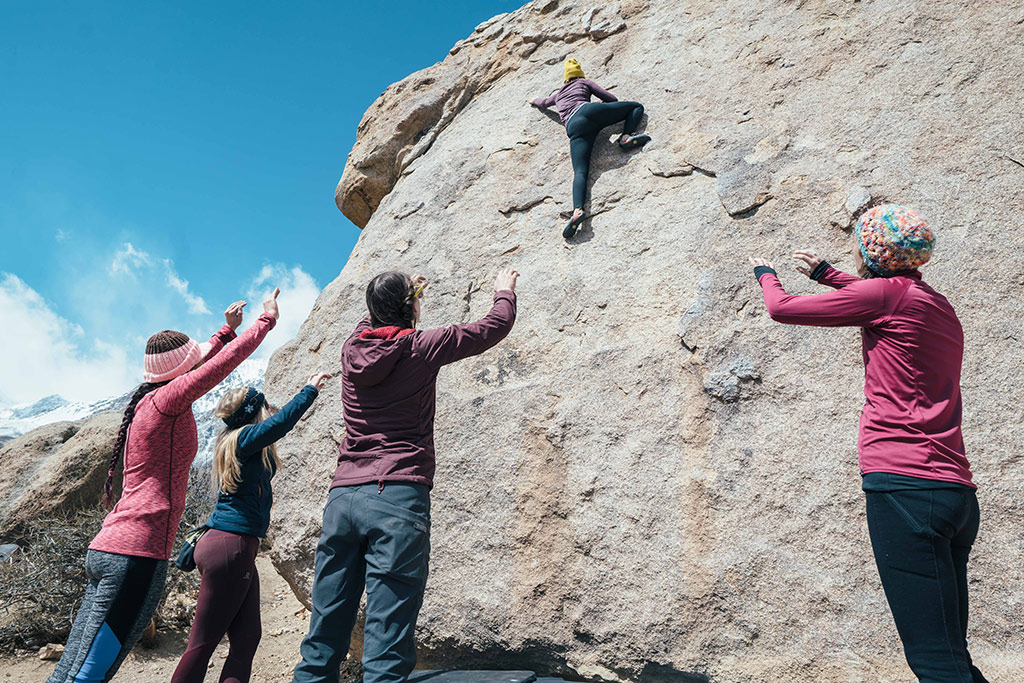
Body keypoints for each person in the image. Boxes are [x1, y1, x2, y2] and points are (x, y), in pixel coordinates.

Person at [749, 205, 987, 683]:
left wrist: (765, 273)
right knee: (952, 658)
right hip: (954, 497)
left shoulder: (884, 297)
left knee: (937, 666)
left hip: (905, 490)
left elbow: (782, 309)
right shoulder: (934, 302)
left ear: (870, 251)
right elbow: (879, 296)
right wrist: (827, 274)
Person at [292, 268, 519, 683]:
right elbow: (493, 326)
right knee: (386, 644)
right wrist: (503, 291)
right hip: (397, 497)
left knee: (323, 636)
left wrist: (404, 297)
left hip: (343, 498)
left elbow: (371, 324)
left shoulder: (350, 349)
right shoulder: (422, 347)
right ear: (411, 308)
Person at [47, 290, 281, 683]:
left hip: (110, 549)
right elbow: (218, 366)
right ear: (179, 373)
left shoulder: (147, 400)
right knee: (92, 669)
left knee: (74, 664)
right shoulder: (169, 401)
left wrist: (226, 329)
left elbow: (203, 357)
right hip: (135, 555)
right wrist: (266, 321)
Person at [171, 372, 331, 683]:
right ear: (254, 411)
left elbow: (271, 426)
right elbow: (279, 425)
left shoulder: (232, 438)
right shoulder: (244, 438)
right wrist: (309, 390)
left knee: (246, 638)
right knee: (202, 644)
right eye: (264, 404)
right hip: (231, 547)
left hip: (230, 547)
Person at [530, 57, 651, 239]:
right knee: (635, 107)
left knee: (580, 172)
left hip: (573, 127)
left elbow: (544, 102)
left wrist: (533, 100)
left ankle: (577, 211)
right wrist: (603, 107)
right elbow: (611, 99)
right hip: (588, 111)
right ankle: (626, 138)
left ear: (565, 79)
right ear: (579, 75)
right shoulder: (583, 82)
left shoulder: (557, 95)